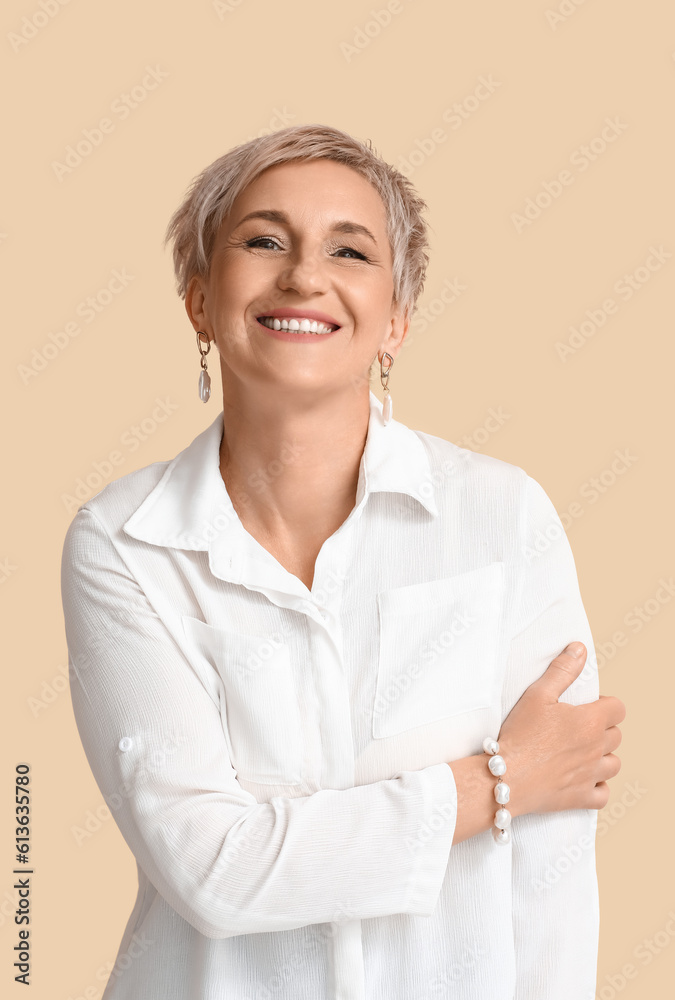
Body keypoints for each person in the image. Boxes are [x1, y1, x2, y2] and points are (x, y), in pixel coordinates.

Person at [60, 123, 625, 1000]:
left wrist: (517, 799)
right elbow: (211, 871)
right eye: (262, 240)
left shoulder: (502, 516)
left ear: (395, 320)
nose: (303, 275)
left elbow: (551, 870)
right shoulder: (121, 542)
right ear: (198, 300)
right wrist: (498, 785)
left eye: (349, 250)